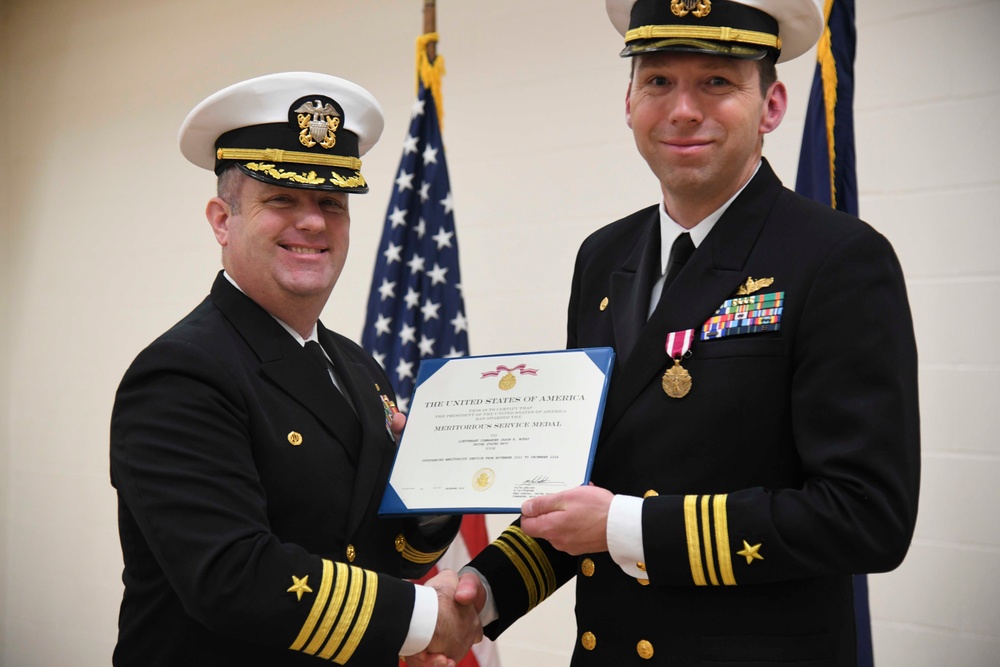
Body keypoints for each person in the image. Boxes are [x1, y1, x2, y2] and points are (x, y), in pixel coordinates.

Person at [458, 1, 921, 665]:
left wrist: (623, 524)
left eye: (716, 82)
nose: (682, 109)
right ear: (628, 101)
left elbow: (866, 515)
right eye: (658, 81)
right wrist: (482, 590)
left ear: (772, 105)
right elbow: (583, 483)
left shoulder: (836, 259)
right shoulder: (602, 258)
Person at [110, 72, 483, 666]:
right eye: (281, 199)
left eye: (331, 203)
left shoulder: (358, 367)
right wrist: (423, 620)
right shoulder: (180, 374)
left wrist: (433, 493)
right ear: (221, 220)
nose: (312, 223)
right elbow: (233, 576)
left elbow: (376, 554)